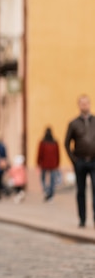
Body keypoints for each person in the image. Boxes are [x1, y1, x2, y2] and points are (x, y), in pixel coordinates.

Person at [64, 94, 95, 228]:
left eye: (86, 103)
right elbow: (66, 143)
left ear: (90, 104)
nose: (85, 105)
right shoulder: (73, 123)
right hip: (80, 162)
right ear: (79, 105)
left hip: (94, 161)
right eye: (82, 103)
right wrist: (74, 161)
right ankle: (82, 219)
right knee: (81, 191)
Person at [37, 127, 60, 202]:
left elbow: (40, 153)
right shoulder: (54, 143)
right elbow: (57, 154)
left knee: (44, 179)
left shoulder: (43, 143)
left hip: (45, 164)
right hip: (52, 164)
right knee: (52, 180)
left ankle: (47, 191)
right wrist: (57, 163)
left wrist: (38, 162)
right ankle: (50, 193)